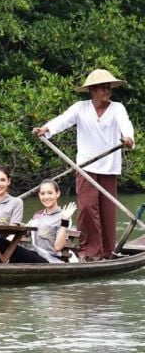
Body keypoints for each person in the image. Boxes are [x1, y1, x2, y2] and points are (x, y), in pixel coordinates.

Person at [33, 69, 135, 262]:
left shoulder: (117, 108)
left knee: (107, 211)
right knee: (88, 208)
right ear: (93, 91)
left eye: (108, 88)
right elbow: (62, 120)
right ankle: (89, 251)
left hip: (109, 167)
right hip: (86, 167)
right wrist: (46, 129)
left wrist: (128, 139)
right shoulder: (81, 107)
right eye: (103, 88)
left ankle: (106, 253)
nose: (107, 91)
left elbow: (126, 125)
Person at [10, 179, 77, 263]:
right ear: (39, 195)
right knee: (2, 243)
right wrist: (8, 239)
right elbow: (23, 231)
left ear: (58, 193)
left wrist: (65, 221)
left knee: (4, 245)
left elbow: (58, 247)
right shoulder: (38, 215)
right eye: (42, 194)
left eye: (50, 193)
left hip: (49, 260)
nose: (46, 197)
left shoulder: (63, 217)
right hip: (35, 255)